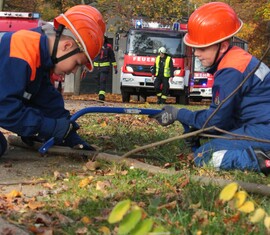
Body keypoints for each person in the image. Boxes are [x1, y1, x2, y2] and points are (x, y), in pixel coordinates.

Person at [152, 2, 270, 175]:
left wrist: (180, 114)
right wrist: (198, 130)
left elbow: (216, 121)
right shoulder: (238, 59)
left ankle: (260, 161)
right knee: (210, 139)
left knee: (204, 155)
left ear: (222, 46)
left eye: (202, 47)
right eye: (195, 47)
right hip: (260, 125)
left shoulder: (230, 71)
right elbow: (229, 117)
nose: (197, 53)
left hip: (264, 130)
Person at [0, 5, 106, 157]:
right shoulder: (22, 52)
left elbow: (47, 101)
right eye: (77, 63)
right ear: (67, 46)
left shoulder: (39, 54)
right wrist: (47, 127)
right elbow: (5, 109)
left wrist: (69, 135)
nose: (74, 71)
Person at [91, 36, 118, 101]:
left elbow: (112, 57)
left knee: (102, 81)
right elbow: (91, 56)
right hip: (96, 68)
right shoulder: (95, 46)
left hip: (105, 68)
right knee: (97, 82)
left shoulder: (108, 47)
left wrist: (115, 67)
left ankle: (101, 96)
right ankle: (100, 93)